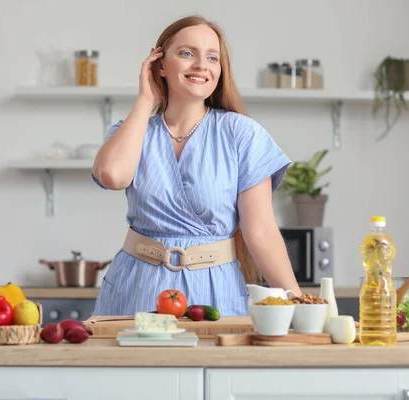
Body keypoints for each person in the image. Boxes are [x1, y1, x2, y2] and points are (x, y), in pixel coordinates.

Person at [91, 15, 302, 317]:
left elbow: (261, 233)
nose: (202, 65)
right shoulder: (133, 131)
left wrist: (298, 303)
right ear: (159, 65)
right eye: (187, 53)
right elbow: (112, 175)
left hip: (214, 287)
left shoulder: (242, 133)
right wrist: (145, 99)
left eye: (212, 57)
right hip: (135, 285)